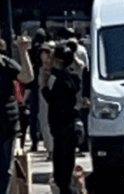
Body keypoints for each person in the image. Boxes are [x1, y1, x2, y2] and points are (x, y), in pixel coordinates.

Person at [43, 43, 80, 194]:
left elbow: (52, 98)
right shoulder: (73, 75)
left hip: (60, 124)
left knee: (61, 163)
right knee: (67, 159)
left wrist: (44, 87)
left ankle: (64, 188)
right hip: (69, 122)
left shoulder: (56, 77)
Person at [0, 34, 34, 194]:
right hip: (7, 122)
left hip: (6, 123)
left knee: (3, 168)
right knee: (3, 168)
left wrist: (23, 52)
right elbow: (27, 77)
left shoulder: (4, 63)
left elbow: (27, 77)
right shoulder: (4, 63)